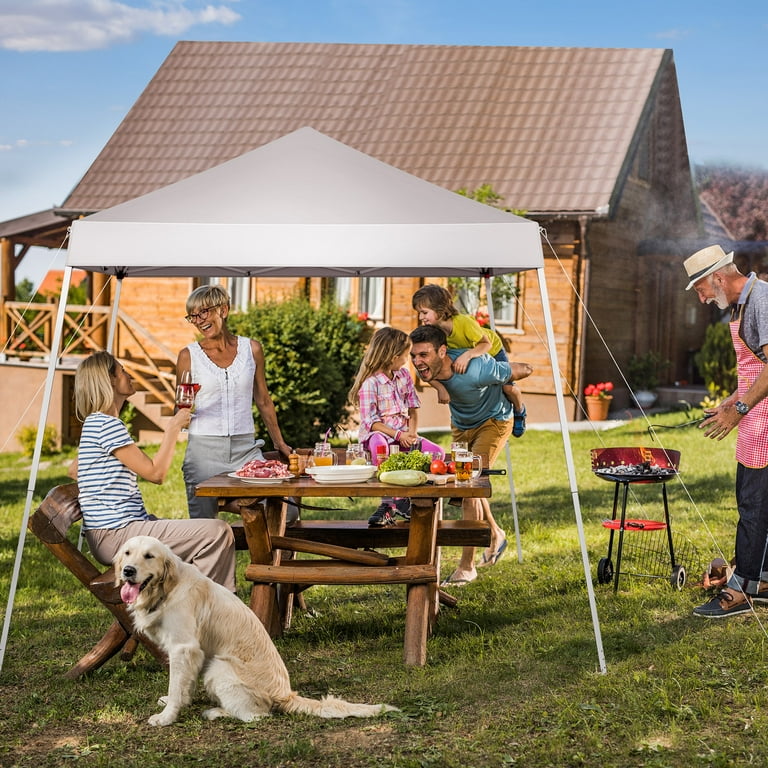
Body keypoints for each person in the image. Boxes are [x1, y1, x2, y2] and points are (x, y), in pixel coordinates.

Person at [69, 351, 236, 590]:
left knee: (206, 533)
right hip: (118, 536)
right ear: (110, 381)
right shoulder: (106, 424)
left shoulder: (96, 423)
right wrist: (173, 427)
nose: (128, 375)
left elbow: (73, 469)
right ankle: (212, 612)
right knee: (217, 532)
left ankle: (192, 606)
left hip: (115, 531)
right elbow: (156, 475)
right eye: (122, 370)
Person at [685, 244, 768, 617]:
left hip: (761, 420)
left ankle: (741, 592)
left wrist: (739, 408)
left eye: (701, 289)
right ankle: (763, 580)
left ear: (718, 277)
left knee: (752, 506)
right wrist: (731, 400)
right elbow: (755, 369)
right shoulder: (743, 304)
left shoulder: (762, 299)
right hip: (756, 416)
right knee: (758, 503)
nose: (701, 299)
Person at [176, 285, 293, 519]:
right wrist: (183, 409)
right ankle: (234, 505)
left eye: (204, 312)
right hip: (203, 453)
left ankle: (239, 506)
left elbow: (263, 400)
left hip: (245, 450)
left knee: (286, 512)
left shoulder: (252, 349)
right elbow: (181, 409)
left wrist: (279, 442)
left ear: (224, 310)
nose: (199, 320)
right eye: (193, 316)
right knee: (203, 529)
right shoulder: (188, 356)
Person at [409, 324, 513, 584]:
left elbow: (519, 371)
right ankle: (495, 533)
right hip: (462, 425)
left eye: (423, 355)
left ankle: (467, 567)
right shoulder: (427, 369)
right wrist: (440, 388)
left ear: (442, 351)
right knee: (464, 482)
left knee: (468, 484)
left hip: (494, 421)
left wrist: (518, 402)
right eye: (413, 355)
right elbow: (429, 375)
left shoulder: (474, 368)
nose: (417, 361)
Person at [348, 326, 444, 526]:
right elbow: (371, 422)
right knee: (380, 445)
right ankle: (393, 501)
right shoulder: (370, 383)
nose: (409, 359)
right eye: (406, 355)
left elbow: (413, 408)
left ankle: (413, 498)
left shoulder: (403, 376)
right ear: (392, 356)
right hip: (379, 435)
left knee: (437, 453)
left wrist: (412, 434)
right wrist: (398, 435)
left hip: (402, 435)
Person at [411, 283, 532, 437]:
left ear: (440, 309)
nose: (421, 317)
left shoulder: (463, 323)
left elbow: (486, 344)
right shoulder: (435, 332)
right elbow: (428, 369)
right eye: (419, 313)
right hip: (470, 359)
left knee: (507, 388)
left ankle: (519, 410)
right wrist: (440, 388)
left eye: (424, 312)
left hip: (491, 350)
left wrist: (467, 355)